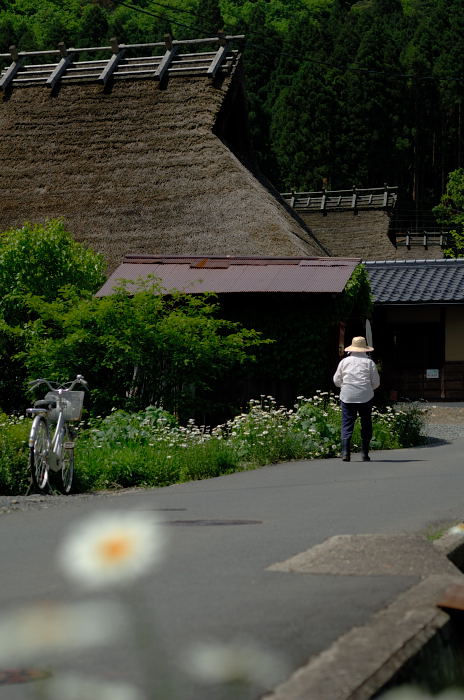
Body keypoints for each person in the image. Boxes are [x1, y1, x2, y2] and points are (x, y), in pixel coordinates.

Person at [333, 336, 380, 462]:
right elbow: (376, 383)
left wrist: (345, 385)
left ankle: (345, 453)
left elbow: (336, 381)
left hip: (347, 395)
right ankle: (365, 453)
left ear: (351, 348)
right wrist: (366, 388)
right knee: (366, 422)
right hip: (366, 395)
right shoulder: (369, 362)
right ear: (365, 349)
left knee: (347, 422)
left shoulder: (344, 362)